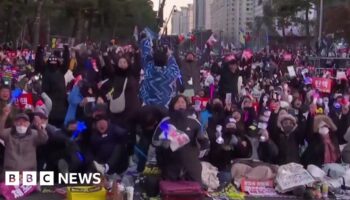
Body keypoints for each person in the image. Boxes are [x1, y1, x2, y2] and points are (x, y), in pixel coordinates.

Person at [153, 95, 209, 184]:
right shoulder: (166, 121)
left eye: (183, 102)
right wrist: (164, 143)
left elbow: (205, 143)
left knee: (195, 189)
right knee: (171, 190)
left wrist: (201, 141)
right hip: (170, 162)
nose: (180, 104)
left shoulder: (193, 121)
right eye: (177, 102)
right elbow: (155, 142)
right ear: (173, 105)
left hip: (191, 162)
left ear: (186, 105)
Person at [0, 106, 48, 178]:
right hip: (10, 172)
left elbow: (44, 139)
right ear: (14, 123)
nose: (21, 124)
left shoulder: (34, 134)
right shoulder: (9, 133)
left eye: (24, 122)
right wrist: (4, 116)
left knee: (34, 188)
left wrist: (39, 127)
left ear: (28, 124)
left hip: (29, 173)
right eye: (19, 122)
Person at [140, 38, 181, 108]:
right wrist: (169, 55)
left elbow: (145, 54)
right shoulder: (170, 73)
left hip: (147, 105)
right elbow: (175, 66)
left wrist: (147, 39)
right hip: (165, 106)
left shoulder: (148, 69)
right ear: (166, 60)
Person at [42, 55, 67, 127]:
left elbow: (66, 63)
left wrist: (66, 50)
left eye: (55, 62)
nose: (53, 64)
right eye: (51, 62)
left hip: (60, 109)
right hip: (51, 108)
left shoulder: (61, 72)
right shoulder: (46, 73)